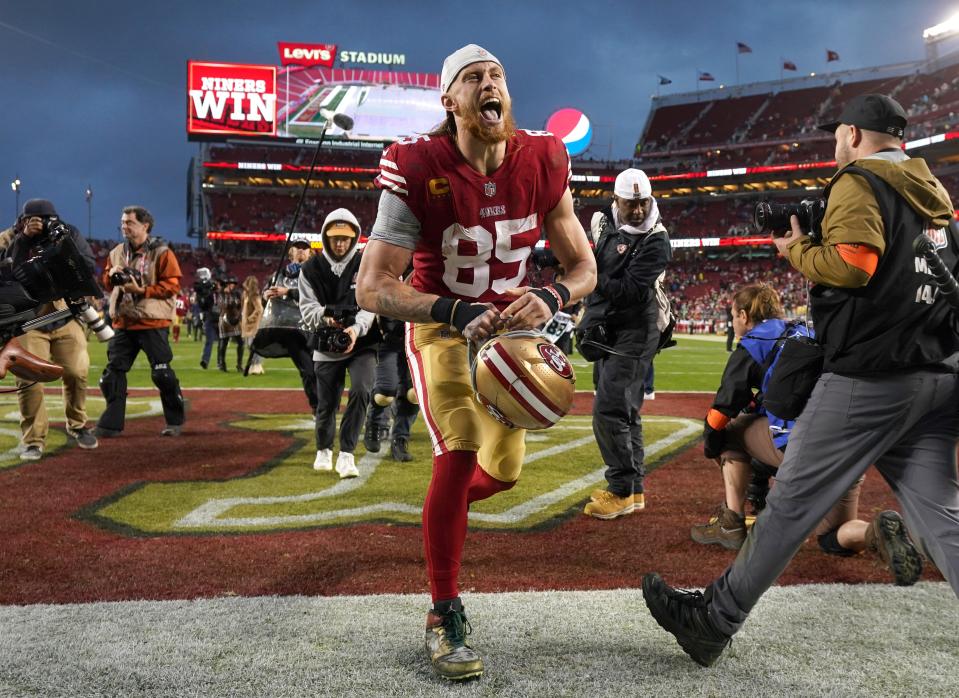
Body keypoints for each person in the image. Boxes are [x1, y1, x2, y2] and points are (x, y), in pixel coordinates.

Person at [643, 93, 959, 667]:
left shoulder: (858, 180)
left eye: (838, 134)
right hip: (939, 372)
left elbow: (855, 265)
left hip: (873, 374)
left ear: (857, 136)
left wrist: (798, 251)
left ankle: (714, 620)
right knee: (941, 513)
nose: (835, 144)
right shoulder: (933, 191)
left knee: (789, 503)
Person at [355, 44, 596, 682]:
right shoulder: (416, 163)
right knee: (458, 448)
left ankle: (447, 505)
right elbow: (374, 286)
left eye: (497, 75)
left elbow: (583, 268)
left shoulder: (544, 158)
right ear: (450, 101)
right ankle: (443, 612)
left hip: (507, 342)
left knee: (502, 473)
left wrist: (549, 295)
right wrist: (454, 314)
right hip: (442, 326)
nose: (489, 84)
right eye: (473, 78)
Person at [691, 283, 921, 585]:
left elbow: (722, 410)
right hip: (849, 446)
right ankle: (874, 531)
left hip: (803, 449)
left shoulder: (754, 343)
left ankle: (731, 521)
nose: (734, 323)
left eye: (734, 316)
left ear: (744, 316)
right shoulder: (809, 330)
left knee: (732, 430)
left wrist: (711, 442)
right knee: (831, 537)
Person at [580, 168, 671, 519]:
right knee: (625, 411)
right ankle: (633, 491)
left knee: (609, 408)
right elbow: (595, 262)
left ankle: (619, 489)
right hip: (610, 326)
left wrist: (586, 278)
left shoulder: (657, 239)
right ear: (616, 200)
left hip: (637, 326)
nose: (637, 211)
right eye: (631, 203)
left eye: (642, 203)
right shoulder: (602, 222)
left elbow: (631, 291)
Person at [0, 199, 99, 459]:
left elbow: (88, 267)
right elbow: (5, 273)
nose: (41, 224)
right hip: (26, 323)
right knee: (29, 379)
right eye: (35, 219)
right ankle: (33, 440)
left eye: (47, 218)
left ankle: (78, 425)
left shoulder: (68, 234)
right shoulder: (8, 238)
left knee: (78, 371)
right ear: (22, 220)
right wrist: (22, 240)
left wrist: (60, 247)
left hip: (64, 316)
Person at [299, 209, 378, 479]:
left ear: (354, 236)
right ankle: (323, 449)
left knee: (361, 390)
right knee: (327, 403)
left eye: (346, 238)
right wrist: (327, 316)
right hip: (325, 341)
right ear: (326, 237)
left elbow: (371, 304)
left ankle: (346, 453)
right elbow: (307, 309)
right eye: (335, 238)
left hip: (362, 342)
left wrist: (356, 329)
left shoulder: (365, 263)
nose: (341, 243)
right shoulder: (310, 269)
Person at [95, 206, 185, 438]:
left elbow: (172, 286)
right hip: (123, 321)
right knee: (112, 375)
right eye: (123, 222)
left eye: (130, 222)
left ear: (145, 226)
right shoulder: (116, 252)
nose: (124, 226)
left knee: (162, 373)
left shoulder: (162, 252)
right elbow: (106, 283)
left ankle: (175, 421)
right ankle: (111, 424)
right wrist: (111, 275)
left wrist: (142, 290)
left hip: (152, 321)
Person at [363, 311, 419, 462]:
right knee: (384, 395)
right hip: (386, 341)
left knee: (414, 394)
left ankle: (400, 440)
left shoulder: (425, 287)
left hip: (415, 341)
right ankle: (374, 425)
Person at [216, 276, 243, 371]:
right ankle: (222, 364)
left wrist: (239, 317)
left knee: (241, 342)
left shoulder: (236, 294)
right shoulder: (221, 294)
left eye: (234, 284)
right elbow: (222, 306)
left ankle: (239, 365)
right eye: (231, 284)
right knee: (224, 342)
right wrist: (227, 296)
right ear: (227, 284)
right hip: (224, 319)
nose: (232, 286)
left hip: (235, 318)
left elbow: (240, 305)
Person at [240, 274, 265, 375]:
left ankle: (257, 366)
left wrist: (251, 318)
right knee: (249, 346)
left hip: (254, 325)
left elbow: (259, 309)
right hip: (246, 325)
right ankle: (254, 365)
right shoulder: (245, 295)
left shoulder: (254, 296)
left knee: (254, 346)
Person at [194, 267, 219, 369]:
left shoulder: (205, 289)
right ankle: (212, 361)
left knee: (211, 340)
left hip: (212, 315)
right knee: (218, 340)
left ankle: (206, 360)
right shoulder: (211, 288)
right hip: (213, 316)